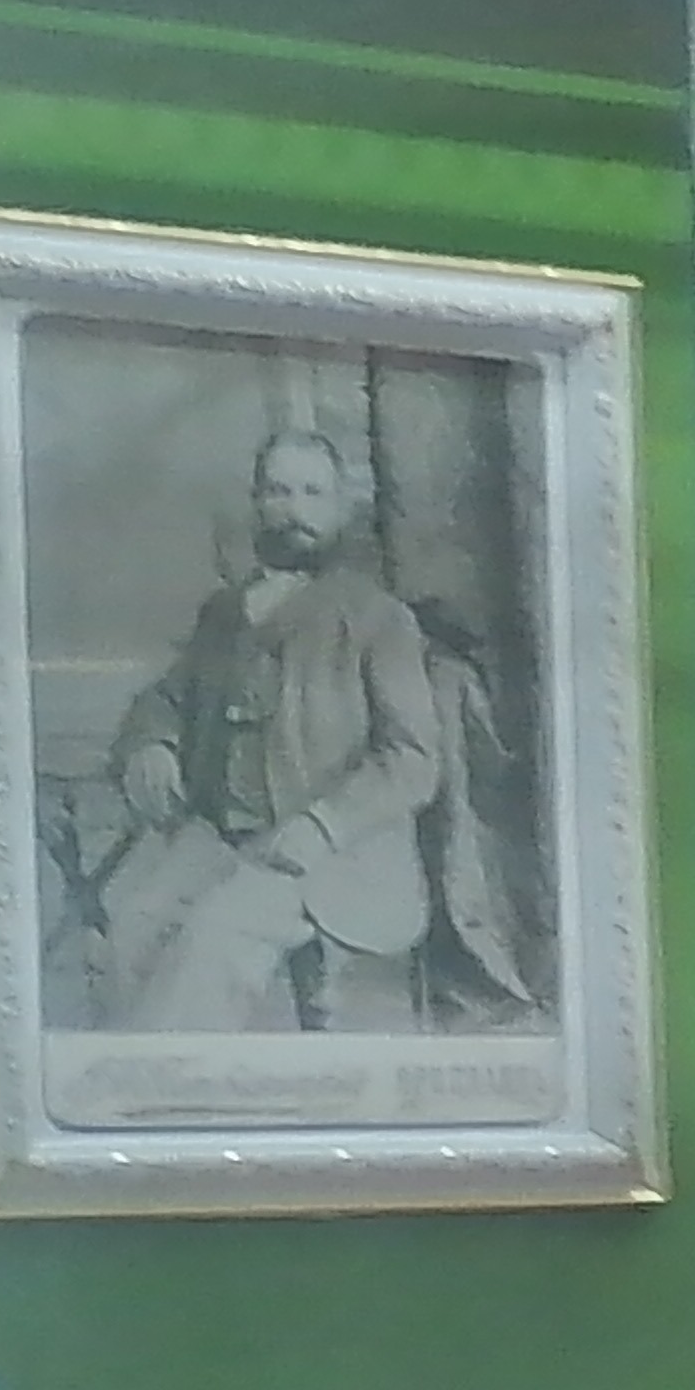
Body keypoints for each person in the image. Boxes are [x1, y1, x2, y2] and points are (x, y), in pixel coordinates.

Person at [76, 421, 469, 1035]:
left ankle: (180, 1086)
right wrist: (152, 744)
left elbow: (412, 759)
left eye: (313, 493)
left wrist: (323, 824)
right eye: (279, 492)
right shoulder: (224, 613)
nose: (294, 510)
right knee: (132, 930)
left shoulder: (379, 619)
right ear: (257, 503)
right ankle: (130, 1082)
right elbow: (166, 698)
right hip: (220, 839)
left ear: (342, 507)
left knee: (212, 943)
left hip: (330, 853)